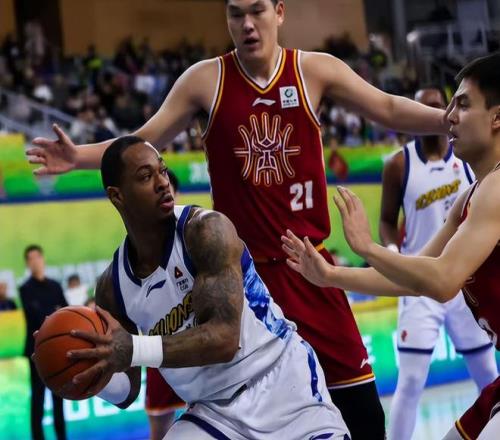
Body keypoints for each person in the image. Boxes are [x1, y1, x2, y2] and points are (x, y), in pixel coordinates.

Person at [26, 1, 450, 437]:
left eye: (257, 11)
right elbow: (144, 139)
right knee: (230, 402)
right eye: (235, 14)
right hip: (242, 280)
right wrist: (79, 157)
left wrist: (449, 121)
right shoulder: (206, 80)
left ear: (279, 12)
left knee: (364, 416)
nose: (247, 23)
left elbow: (388, 108)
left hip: (312, 268)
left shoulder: (314, 70)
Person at [64, 136, 350, 439]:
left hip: (282, 383)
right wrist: (80, 371)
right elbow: (126, 392)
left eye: (162, 170)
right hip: (213, 413)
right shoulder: (113, 287)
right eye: (146, 176)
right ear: (117, 196)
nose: (162, 183)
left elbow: (224, 340)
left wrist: (134, 348)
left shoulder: (206, 230)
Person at [281, 52, 500, 440]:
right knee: (414, 383)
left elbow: (443, 280)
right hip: (438, 284)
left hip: (446, 281)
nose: (448, 116)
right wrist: (330, 275)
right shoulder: (468, 196)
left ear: (497, 117)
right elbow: (414, 277)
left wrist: (368, 247)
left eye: (463, 105)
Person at [379, 87, 498, 440]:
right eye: (427, 107)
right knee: (411, 378)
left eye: (441, 105)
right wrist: (390, 250)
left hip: (464, 279)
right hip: (420, 274)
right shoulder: (399, 164)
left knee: (486, 371)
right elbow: (386, 220)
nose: (441, 114)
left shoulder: (471, 161)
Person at [145, 168, 185, 440]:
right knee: (160, 431)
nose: (163, 193)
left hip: (201, 346)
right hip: (159, 349)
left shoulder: (198, 232)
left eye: (168, 187)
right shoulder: (136, 245)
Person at [19, 245, 67, 440]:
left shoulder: (55, 286)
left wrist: (56, 315)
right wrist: (54, 315)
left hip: (58, 350)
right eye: (30, 258)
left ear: (43, 258)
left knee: (59, 397)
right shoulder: (25, 289)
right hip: (36, 352)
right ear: (27, 263)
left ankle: (62, 436)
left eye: (37, 257)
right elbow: (37, 316)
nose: (35, 261)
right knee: (38, 399)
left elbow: (66, 311)